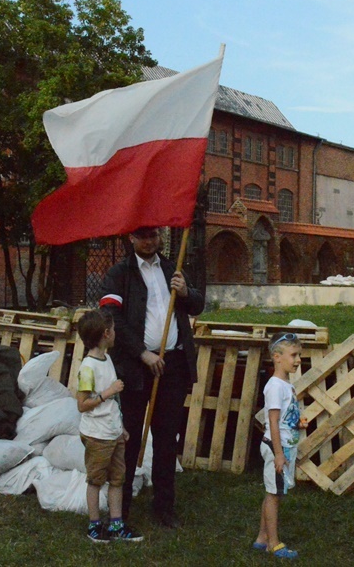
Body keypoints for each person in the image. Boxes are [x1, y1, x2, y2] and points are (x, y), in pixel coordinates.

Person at [100, 226, 205, 528]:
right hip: (136, 366)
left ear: (159, 237)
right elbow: (111, 317)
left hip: (172, 364)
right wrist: (142, 353)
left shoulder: (174, 267)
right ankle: (123, 508)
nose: (148, 241)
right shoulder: (119, 274)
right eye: (142, 235)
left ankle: (164, 507)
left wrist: (186, 292)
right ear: (131, 238)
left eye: (153, 235)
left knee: (166, 437)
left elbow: (198, 303)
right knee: (130, 437)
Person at [75, 310, 143, 543]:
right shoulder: (88, 368)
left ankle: (116, 525)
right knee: (95, 480)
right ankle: (94, 526)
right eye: (113, 330)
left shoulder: (107, 359)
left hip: (113, 433)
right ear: (106, 333)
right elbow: (82, 404)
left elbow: (115, 404)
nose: (115, 334)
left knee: (117, 480)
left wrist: (120, 426)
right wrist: (107, 393)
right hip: (97, 436)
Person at [253, 332, 307, 559]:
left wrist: (297, 423)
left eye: (299, 355)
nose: (298, 360)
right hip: (278, 448)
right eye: (293, 355)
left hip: (285, 446)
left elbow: (284, 417)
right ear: (277, 357)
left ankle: (261, 538)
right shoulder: (275, 386)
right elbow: (272, 420)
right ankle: (273, 544)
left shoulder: (286, 385)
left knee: (274, 493)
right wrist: (278, 454)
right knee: (274, 495)